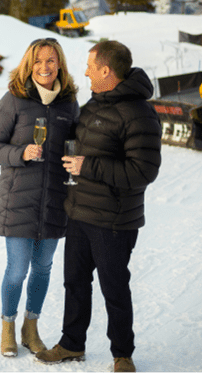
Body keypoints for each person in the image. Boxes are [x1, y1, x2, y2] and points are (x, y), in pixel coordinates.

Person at [35, 41, 162, 373]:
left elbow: (143, 172)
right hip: (79, 212)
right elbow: (82, 144)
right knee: (74, 283)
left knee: (114, 289)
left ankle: (123, 355)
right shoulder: (94, 103)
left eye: (91, 66)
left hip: (114, 220)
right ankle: (72, 344)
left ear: (107, 71)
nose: (86, 71)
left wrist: (86, 166)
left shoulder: (139, 113)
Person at [0, 38, 80, 358]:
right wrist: (20, 153)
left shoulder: (69, 104)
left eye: (51, 61)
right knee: (17, 270)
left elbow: (77, 144)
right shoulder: (14, 100)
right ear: (29, 64)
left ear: (60, 65)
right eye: (38, 61)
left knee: (43, 269)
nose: (44, 67)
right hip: (18, 200)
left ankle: (31, 328)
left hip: (55, 201)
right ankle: (8, 328)